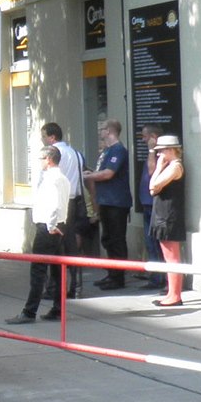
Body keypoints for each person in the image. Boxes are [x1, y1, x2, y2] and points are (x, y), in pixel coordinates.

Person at [7, 147, 71, 325]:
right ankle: (58, 308)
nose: (39, 162)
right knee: (57, 270)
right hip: (58, 225)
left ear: (49, 159)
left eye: (41, 158)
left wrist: (51, 225)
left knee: (38, 270)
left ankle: (29, 311)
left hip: (48, 227)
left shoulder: (52, 179)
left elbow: (55, 205)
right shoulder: (62, 178)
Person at [41, 122, 89, 298]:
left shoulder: (52, 155)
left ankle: (54, 289)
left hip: (60, 203)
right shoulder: (76, 153)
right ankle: (76, 287)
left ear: (52, 137)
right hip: (75, 202)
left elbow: (48, 181)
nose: (42, 140)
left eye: (44, 136)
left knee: (55, 246)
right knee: (72, 246)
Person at [83, 119, 131, 289]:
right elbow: (101, 172)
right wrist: (92, 173)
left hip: (116, 202)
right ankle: (111, 273)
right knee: (108, 239)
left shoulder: (118, 150)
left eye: (102, 128)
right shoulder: (107, 150)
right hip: (105, 200)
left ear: (110, 131)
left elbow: (108, 173)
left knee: (117, 240)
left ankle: (118, 278)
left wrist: (88, 176)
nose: (100, 131)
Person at [147, 134, 187, 307]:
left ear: (171, 150)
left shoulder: (175, 166)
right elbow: (152, 190)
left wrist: (158, 167)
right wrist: (160, 167)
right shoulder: (168, 166)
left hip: (169, 216)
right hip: (163, 214)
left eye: (161, 150)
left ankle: (175, 295)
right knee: (167, 256)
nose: (158, 154)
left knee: (172, 257)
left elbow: (153, 186)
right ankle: (171, 292)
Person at [135, 124, 166, 291]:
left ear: (153, 137)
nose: (143, 140)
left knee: (155, 243)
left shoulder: (159, 154)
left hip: (155, 204)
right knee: (150, 242)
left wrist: (152, 150)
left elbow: (152, 171)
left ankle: (159, 278)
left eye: (145, 136)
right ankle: (156, 276)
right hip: (146, 203)